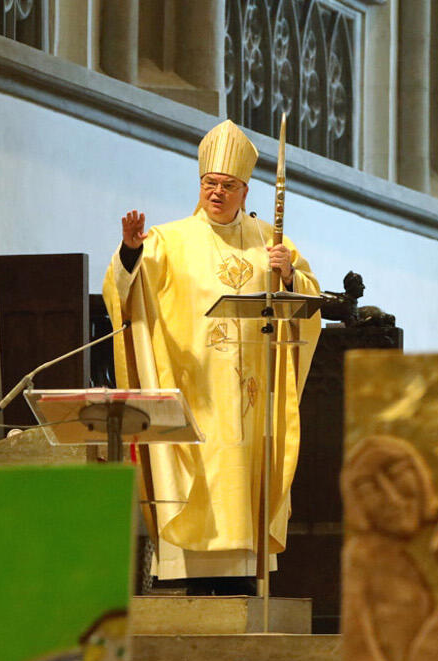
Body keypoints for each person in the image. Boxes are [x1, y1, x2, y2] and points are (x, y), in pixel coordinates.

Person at [103, 119, 321, 593]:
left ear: (245, 189)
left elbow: (307, 308)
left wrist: (287, 278)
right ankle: (185, 575)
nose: (216, 193)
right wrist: (129, 251)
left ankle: (244, 575)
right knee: (195, 481)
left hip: (249, 399)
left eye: (226, 185)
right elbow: (123, 291)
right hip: (194, 390)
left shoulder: (272, 242)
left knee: (244, 487)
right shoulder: (168, 240)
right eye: (209, 184)